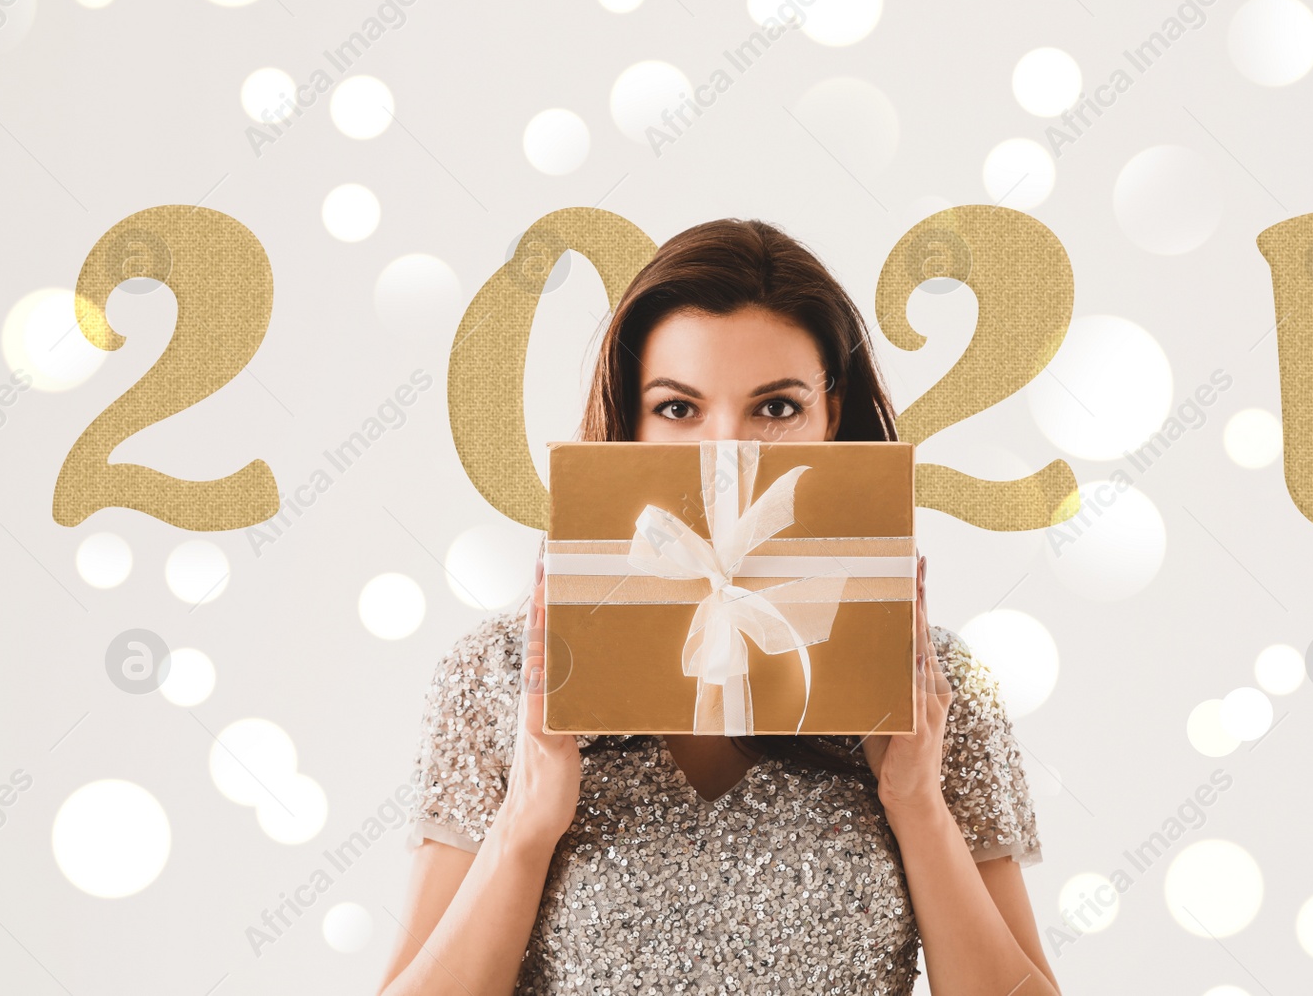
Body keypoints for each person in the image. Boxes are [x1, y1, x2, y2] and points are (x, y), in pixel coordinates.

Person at [378, 219, 1059, 995]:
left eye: (775, 408)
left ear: (831, 419)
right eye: (678, 409)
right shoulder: (500, 674)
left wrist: (917, 803)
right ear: (629, 422)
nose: (727, 450)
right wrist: (530, 820)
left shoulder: (931, 685)